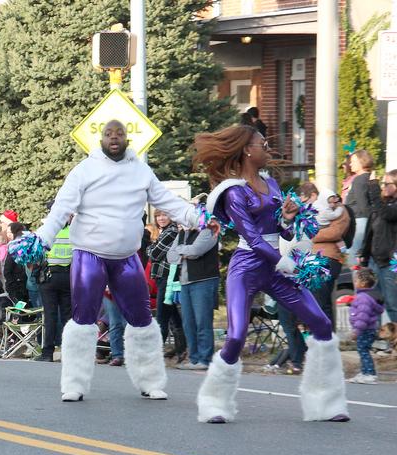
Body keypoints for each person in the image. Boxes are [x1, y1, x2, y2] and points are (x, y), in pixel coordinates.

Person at [193, 125, 349, 423]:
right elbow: (252, 239)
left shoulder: (272, 185)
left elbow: (282, 230)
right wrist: (286, 264)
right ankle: (213, 401)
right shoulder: (234, 192)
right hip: (248, 266)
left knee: (321, 322)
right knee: (237, 336)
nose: (268, 148)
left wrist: (288, 220)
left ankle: (327, 403)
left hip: (276, 265)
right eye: (262, 143)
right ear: (247, 150)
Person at [34, 119, 198, 401]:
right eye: (108, 134)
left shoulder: (141, 171)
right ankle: (74, 384)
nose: (113, 138)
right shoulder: (85, 170)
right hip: (89, 255)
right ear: (101, 140)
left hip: (126, 258)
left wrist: (201, 219)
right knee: (83, 320)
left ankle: (150, 381)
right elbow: (62, 207)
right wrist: (42, 239)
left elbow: (168, 202)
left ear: (126, 139)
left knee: (142, 319)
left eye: (119, 134)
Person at [167, 211, 220, 370]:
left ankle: (205, 359)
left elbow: (197, 251)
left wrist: (181, 251)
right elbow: (170, 257)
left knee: (202, 322)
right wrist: (185, 252)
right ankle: (194, 358)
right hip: (185, 282)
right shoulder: (183, 232)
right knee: (188, 323)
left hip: (203, 281)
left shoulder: (209, 230)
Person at [145, 210, 186, 363]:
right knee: (174, 316)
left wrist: (152, 247)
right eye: (158, 216)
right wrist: (152, 248)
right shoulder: (165, 231)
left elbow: (153, 254)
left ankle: (153, 355)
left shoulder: (171, 231)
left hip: (167, 278)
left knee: (162, 317)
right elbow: (152, 251)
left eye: (164, 215)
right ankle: (182, 351)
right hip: (163, 277)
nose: (161, 218)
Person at [35, 210, 73, 362]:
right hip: (68, 276)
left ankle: (47, 353)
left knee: (50, 316)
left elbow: (37, 254)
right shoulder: (73, 232)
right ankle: (69, 352)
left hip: (49, 276)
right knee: (67, 316)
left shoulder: (46, 231)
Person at [360, 169, 397, 325]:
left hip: (390, 263)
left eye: (387, 183)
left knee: (392, 304)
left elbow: (386, 214)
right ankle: (375, 339)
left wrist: (374, 186)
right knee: (374, 303)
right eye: (383, 183)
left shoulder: (390, 207)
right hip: (375, 261)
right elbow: (371, 231)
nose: (383, 186)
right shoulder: (382, 205)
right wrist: (364, 253)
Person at [308, 191, 351, 326]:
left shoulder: (341, 210)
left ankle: (327, 339)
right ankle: (323, 338)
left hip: (329, 258)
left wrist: (313, 234)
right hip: (316, 258)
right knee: (318, 302)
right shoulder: (319, 209)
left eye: (334, 199)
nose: (333, 202)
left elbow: (335, 232)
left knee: (322, 302)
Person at [347, 268, 384, 384]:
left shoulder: (363, 298)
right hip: (369, 329)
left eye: (356, 280)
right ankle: (364, 372)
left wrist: (356, 331)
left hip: (364, 330)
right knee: (363, 350)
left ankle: (370, 374)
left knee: (363, 351)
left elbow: (363, 316)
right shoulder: (368, 296)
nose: (354, 283)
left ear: (363, 283)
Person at [344, 149, 380, 259]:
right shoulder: (370, 178)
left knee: (354, 259)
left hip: (359, 222)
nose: (350, 164)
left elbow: (363, 205)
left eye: (354, 161)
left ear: (362, 161)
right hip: (364, 221)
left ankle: (359, 276)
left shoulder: (358, 180)